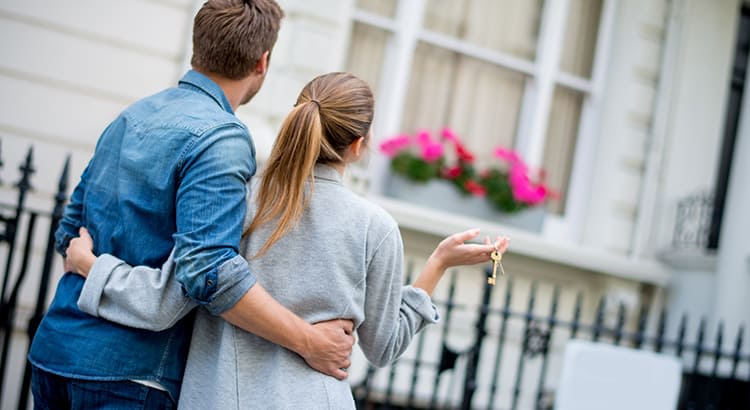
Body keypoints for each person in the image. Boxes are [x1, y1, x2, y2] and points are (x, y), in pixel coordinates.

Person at [64, 72, 511, 409]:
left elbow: (168, 296)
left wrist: (91, 266)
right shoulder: (374, 227)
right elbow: (383, 347)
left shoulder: (238, 197)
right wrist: (437, 265)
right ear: (359, 145)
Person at [28, 1, 354, 408]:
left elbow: (69, 235)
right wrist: (308, 340)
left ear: (197, 46)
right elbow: (209, 272)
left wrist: (92, 266)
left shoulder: (133, 115)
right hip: (130, 375)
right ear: (262, 61)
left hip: (55, 353)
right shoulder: (222, 138)